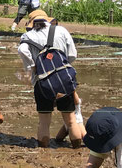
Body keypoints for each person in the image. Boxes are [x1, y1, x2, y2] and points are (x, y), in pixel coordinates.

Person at [17, 9, 83, 148]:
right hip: (64, 80)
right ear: (47, 20)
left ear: (31, 23)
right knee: (71, 120)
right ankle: (77, 150)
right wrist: (62, 66)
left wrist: (33, 66)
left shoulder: (28, 36)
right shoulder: (61, 30)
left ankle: (43, 151)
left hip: (42, 82)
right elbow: (73, 55)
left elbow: (22, 50)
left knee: (44, 121)